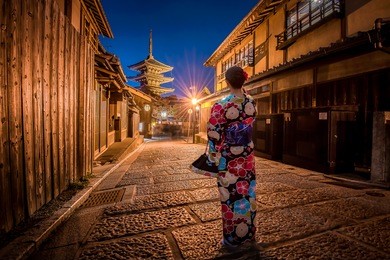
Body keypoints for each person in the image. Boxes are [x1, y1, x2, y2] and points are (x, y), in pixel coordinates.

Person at [207, 66, 257, 247]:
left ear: (227, 82)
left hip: (228, 157)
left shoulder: (221, 104)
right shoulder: (251, 101)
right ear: (243, 81)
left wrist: (214, 153)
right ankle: (248, 234)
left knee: (229, 195)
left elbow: (214, 132)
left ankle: (231, 238)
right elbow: (250, 123)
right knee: (247, 193)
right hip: (247, 155)